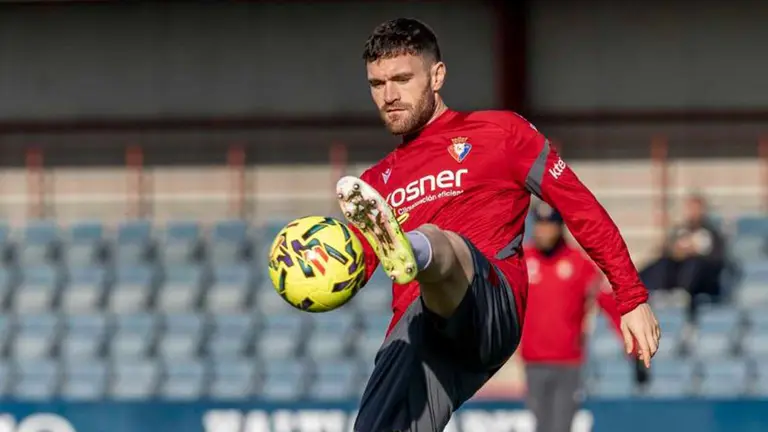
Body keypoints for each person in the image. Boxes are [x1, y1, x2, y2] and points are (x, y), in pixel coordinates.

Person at [335, 18, 660, 432]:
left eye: (401, 79)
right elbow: (353, 268)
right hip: (419, 331)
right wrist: (314, 268)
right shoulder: (377, 182)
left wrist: (630, 295)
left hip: (489, 303)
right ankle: (413, 252)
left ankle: (414, 248)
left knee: (441, 243)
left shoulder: (499, 132)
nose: (389, 96)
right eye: (377, 84)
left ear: (437, 76)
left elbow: (579, 207)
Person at [521, 202, 624, 432]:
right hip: (534, 362)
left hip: (567, 362)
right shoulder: (523, 261)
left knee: (560, 427)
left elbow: (607, 301)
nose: (544, 231)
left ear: (560, 228)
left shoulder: (578, 264)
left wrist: (627, 337)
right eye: (540, 225)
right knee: (541, 426)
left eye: (550, 225)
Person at [640, 193, 726, 318]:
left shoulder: (711, 233)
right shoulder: (680, 231)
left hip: (703, 279)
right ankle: (649, 292)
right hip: (677, 270)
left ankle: (683, 294)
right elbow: (667, 249)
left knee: (694, 263)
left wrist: (694, 251)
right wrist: (677, 251)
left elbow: (717, 258)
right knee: (661, 263)